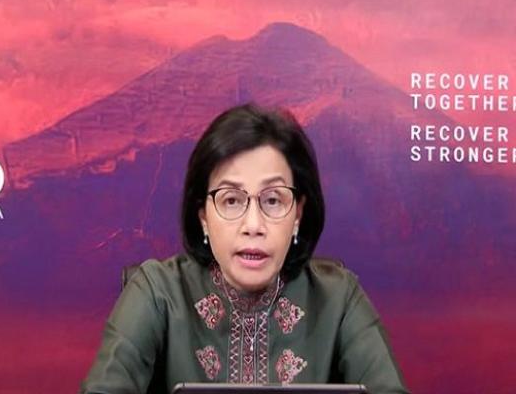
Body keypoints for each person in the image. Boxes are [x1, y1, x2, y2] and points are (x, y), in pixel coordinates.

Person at [80, 103, 410, 394]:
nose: (253, 225)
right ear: (203, 216)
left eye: (273, 200)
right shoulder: (157, 292)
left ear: (298, 213)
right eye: (231, 200)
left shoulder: (338, 298)